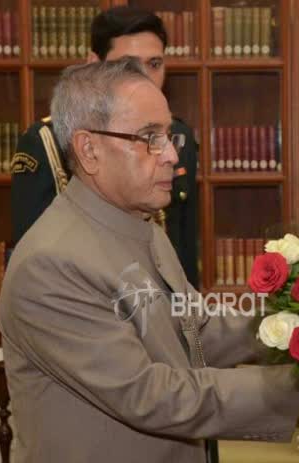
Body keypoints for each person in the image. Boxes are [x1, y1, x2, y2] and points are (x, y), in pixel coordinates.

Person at [0, 58, 299, 463]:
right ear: (89, 150)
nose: (174, 154)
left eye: (169, 135)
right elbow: (151, 395)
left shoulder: (144, 229)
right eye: (149, 138)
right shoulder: (51, 262)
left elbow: (194, 331)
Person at [10, 6, 199, 287]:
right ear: (94, 64)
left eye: (155, 64)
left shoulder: (178, 136)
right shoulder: (47, 142)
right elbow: (38, 260)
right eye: (128, 66)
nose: (144, 77)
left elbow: (183, 245)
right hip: (88, 299)